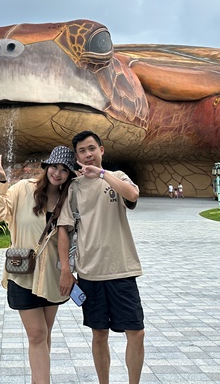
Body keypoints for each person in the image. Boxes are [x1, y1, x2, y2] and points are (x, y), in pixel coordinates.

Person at [57, 131, 145, 384]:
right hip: (90, 272)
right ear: (77, 157)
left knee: (136, 332)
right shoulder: (73, 188)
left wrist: (103, 175)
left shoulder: (117, 177)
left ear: (102, 150)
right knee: (99, 334)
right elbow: (64, 229)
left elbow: (133, 195)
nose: (88, 154)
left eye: (92, 148)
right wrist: (66, 269)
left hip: (122, 269)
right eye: (82, 151)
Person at [0, 145, 76, 384]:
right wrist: (1, 182)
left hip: (51, 278)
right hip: (23, 275)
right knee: (37, 335)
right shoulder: (23, 189)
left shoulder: (67, 199)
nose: (57, 173)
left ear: (69, 175)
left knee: (44, 336)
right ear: (46, 167)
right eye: (54, 167)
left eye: (64, 170)